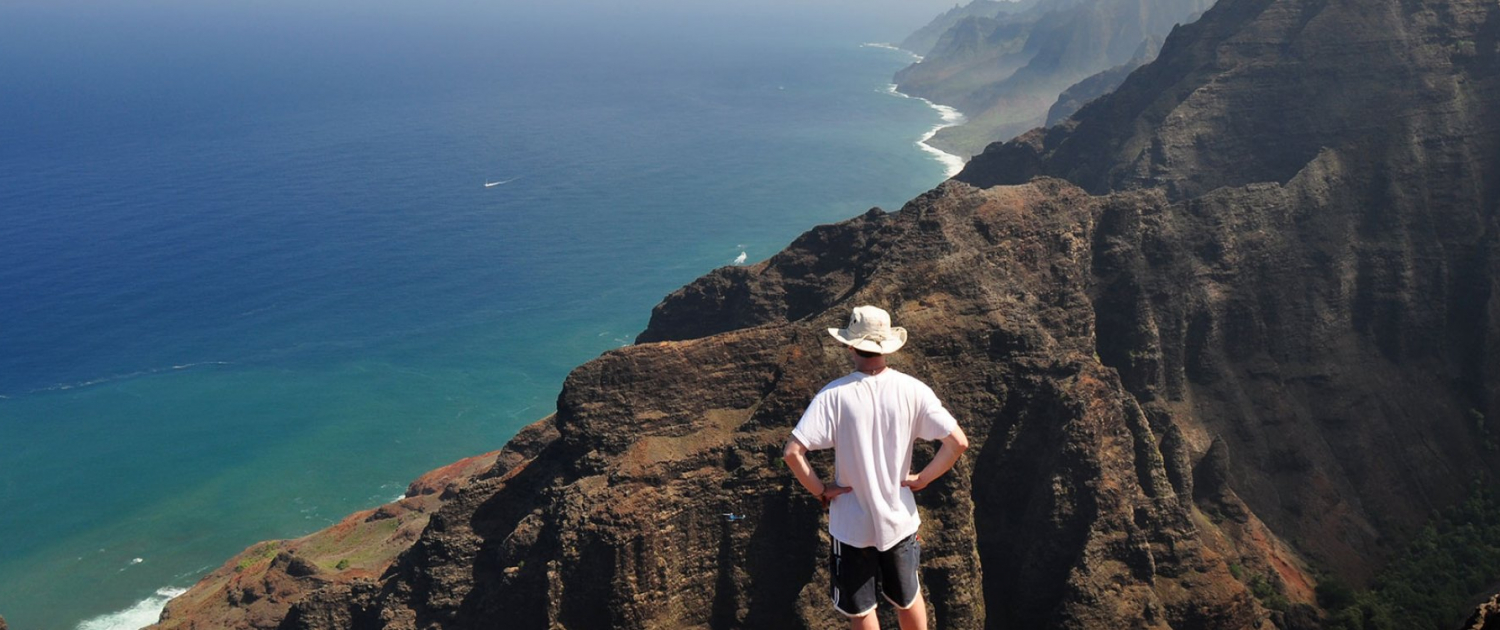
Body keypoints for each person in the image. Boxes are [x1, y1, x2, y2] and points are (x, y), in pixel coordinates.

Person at [783, 305, 969, 630]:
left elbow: (793, 453)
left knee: (862, 610)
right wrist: (923, 478)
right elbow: (958, 443)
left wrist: (822, 490)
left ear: (850, 346)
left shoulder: (832, 396)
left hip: (851, 526)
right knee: (908, 597)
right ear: (887, 347)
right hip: (900, 521)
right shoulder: (913, 390)